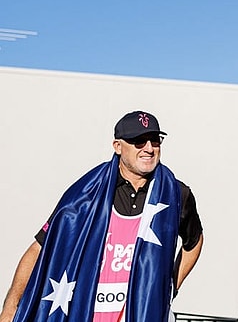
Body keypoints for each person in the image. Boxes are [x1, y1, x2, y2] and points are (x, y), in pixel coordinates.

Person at [0, 110, 204, 322]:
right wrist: (10, 308)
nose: (149, 148)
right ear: (118, 146)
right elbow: (40, 248)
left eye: (155, 140)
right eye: (139, 141)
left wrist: (169, 288)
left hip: (145, 313)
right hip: (84, 312)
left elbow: (195, 241)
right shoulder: (85, 194)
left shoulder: (177, 194)